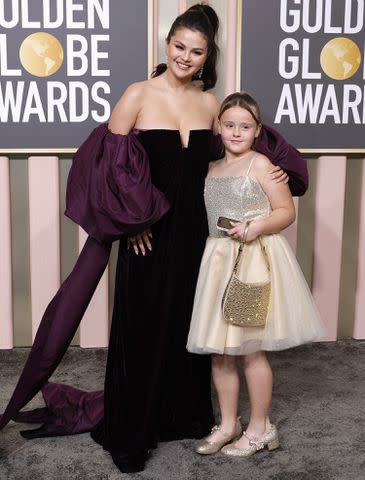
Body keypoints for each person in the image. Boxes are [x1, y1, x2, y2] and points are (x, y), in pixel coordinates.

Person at [0, 5, 309, 474]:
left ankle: (184, 417)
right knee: (142, 327)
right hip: (148, 234)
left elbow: (245, 142)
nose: (186, 56)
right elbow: (107, 167)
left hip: (200, 238)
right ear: (167, 44)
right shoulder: (137, 95)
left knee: (192, 329)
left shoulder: (211, 104)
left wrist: (281, 168)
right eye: (179, 46)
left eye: (197, 51)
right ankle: (134, 429)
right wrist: (133, 222)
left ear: (208, 57)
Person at [187, 92, 324, 457]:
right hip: (218, 261)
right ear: (218, 127)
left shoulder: (262, 165)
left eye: (244, 127)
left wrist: (256, 225)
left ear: (257, 130)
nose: (235, 132)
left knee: (250, 350)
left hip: (252, 261)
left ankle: (261, 428)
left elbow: (285, 211)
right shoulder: (212, 168)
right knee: (220, 351)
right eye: (229, 125)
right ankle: (229, 423)